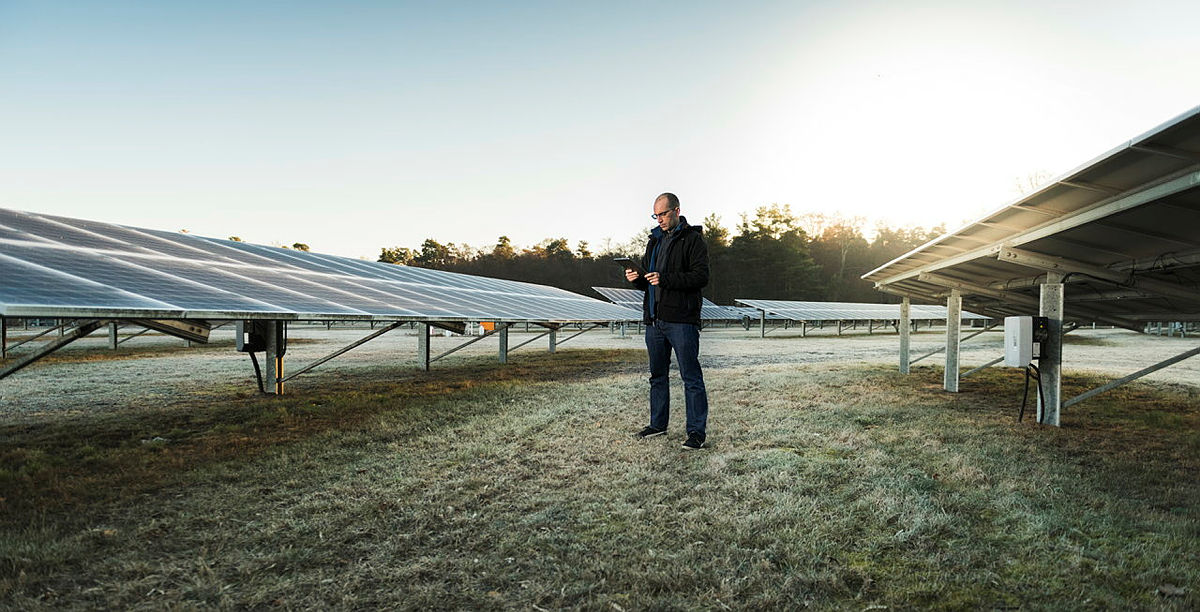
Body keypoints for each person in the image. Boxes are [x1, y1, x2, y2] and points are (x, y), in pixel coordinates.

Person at [625, 192, 711, 450]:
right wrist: (636, 278)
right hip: (655, 320)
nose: (659, 219)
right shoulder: (653, 241)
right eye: (656, 215)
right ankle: (657, 425)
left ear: (676, 210)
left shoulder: (693, 240)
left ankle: (696, 433)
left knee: (691, 377)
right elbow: (649, 280)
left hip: (682, 321)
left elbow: (700, 277)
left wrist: (666, 279)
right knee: (657, 376)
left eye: (663, 213)